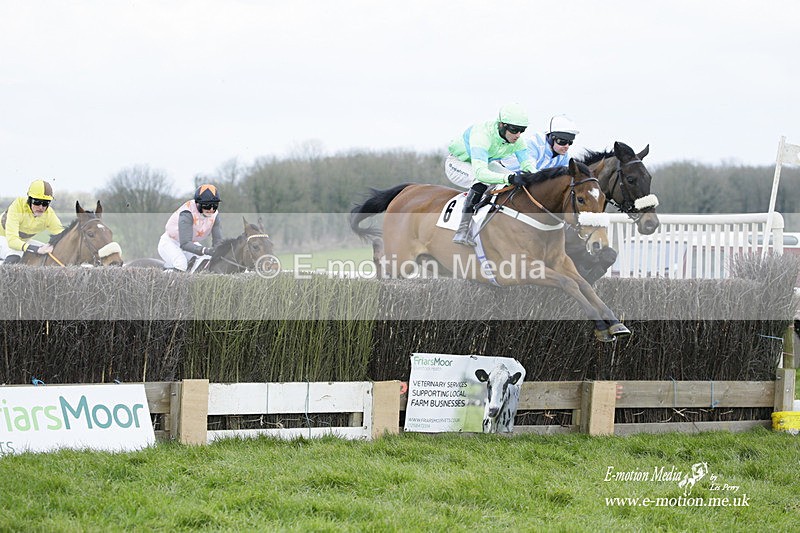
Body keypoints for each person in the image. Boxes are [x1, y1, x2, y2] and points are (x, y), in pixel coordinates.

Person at [445, 103, 540, 246]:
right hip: (458, 163)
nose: (518, 135)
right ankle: (462, 230)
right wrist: (508, 178)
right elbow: (481, 173)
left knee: (513, 178)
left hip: (483, 162)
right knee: (482, 181)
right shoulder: (482, 135)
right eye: (514, 130)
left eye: (522, 130)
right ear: (502, 125)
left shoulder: (518, 140)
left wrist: (540, 178)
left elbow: (527, 165)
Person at [158, 183, 223, 271]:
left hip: (191, 243)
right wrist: (205, 250)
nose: (211, 209)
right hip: (170, 242)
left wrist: (219, 251)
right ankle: (162, 280)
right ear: (198, 204)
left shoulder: (215, 215)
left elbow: (217, 241)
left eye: (214, 205)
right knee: (181, 264)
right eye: (207, 205)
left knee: (207, 259)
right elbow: (185, 244)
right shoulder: (187, 213)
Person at [0, 179, 64, 264]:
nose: (41, 207)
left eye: (45, 203)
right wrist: (36, 249)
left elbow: (63, 235)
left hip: (21, 241)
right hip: (5, 238)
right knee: (15, 253)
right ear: (29, 200)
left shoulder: (49, 214)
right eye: (37, 202)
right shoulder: (17, 205)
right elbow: (12, 241)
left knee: (48, 252)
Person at [500, 114, 580, 172]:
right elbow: (530, 172)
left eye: (570, 142)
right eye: (562, 142)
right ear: (551, 138)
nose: (567, 146)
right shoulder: (533, 145)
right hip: (502, 171)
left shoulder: (563, 156)